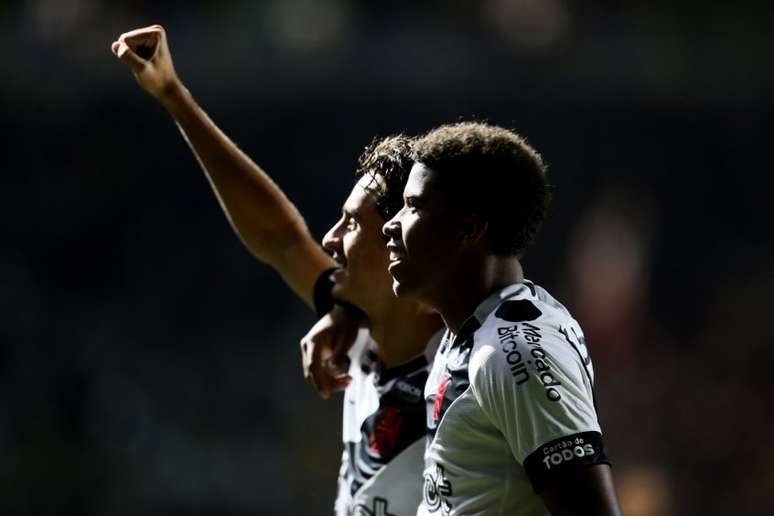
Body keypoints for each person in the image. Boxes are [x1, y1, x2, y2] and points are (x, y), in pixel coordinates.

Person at [111, 25, 443, 516]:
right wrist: (172, 94)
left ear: (401, 246)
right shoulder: (364, 326)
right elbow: (281, 239)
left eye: (353, 224)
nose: (331, 239)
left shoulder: (471, 371)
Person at [382, 122, 623, 515]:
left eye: (414, 206)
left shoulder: (516, 351)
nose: (391, 225)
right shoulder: (472, 332)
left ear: (469, 228)